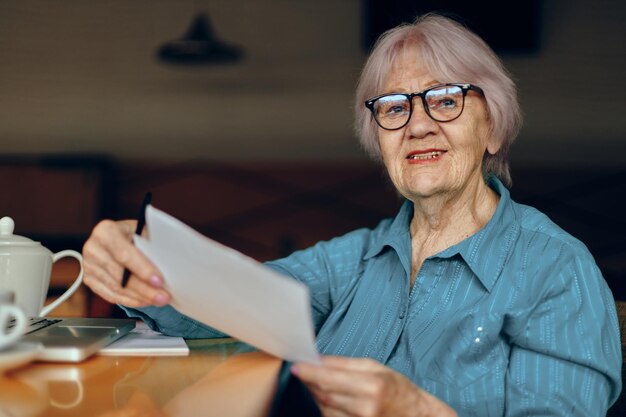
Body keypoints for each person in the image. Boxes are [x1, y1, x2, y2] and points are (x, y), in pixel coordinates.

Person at [82, 13, 622, 417]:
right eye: (393, 107)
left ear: (496, 128)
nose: (417, 125)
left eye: (446, 99)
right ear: (379, 140)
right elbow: (229, 303)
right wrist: (145, 256)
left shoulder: (555, 269)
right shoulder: (355, 259)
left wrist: (420, 412)